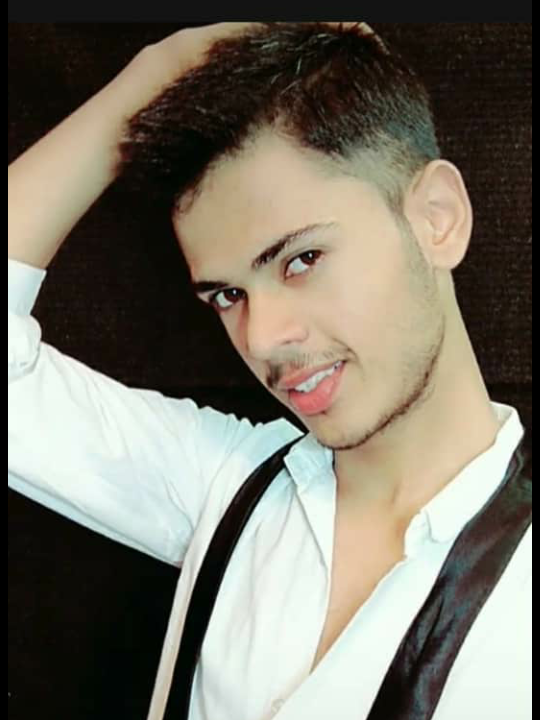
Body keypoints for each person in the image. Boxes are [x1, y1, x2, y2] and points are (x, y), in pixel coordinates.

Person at [8, 22, 531, 720]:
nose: (262, 337)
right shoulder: (228, 486)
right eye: (228, 295)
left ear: (437, 219)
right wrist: (152, 75)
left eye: (302, 260)